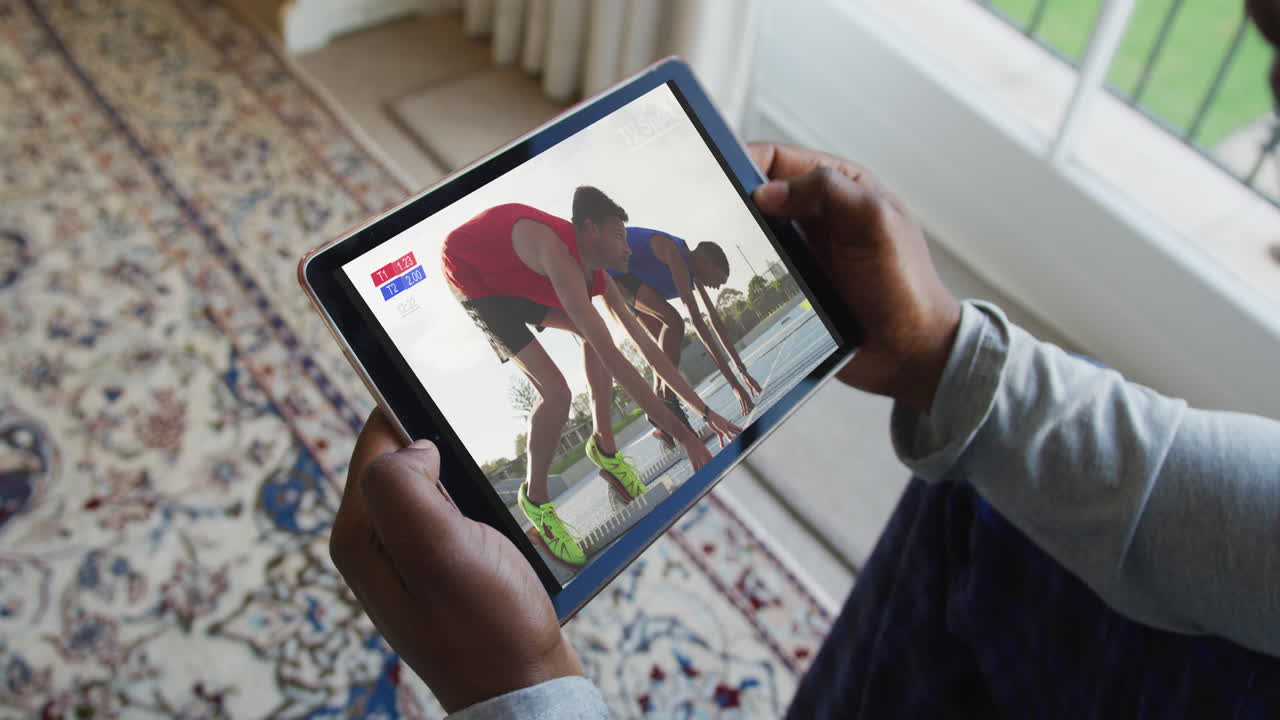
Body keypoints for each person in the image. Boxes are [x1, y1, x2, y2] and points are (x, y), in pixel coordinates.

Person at [335, 142, 1280, 718]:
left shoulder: (618, 260)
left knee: (596, 367)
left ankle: (584, 462)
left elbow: (657, 340)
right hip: (484, 283)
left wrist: (524, 690)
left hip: (545, 282)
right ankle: (542, 491)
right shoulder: (558, 247)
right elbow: (626, 352)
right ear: (599, 235)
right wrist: (945, 358)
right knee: (559, 385)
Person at [439, 189, 742, 567]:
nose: (628, 247)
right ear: (590, 230)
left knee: (594, 337)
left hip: (515, 272)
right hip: (474, 278)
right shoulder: (560, 257)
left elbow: (648, 350)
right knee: (557, 393)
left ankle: (605, 447)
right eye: (619, 235)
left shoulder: (599, 277)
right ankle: (535, 500)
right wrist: (685, 437)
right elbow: (614, 360)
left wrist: (704, 411)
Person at [610, 227, 764, 448]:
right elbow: (698, 323)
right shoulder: (676, 255)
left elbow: (713, 320)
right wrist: (735, 386)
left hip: (635, 279)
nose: (719, 286)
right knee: (674, 322)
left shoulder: (693, 272)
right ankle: (666, 403)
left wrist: (742, 371)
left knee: (665, 355)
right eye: (719, 278)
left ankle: (660, 415)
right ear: (705, 262)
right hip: (616, 272)